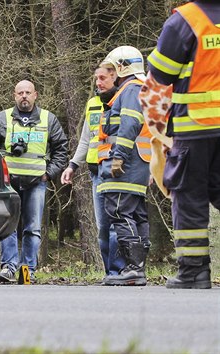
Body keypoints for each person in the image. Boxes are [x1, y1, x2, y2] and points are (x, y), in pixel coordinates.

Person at [139, 0, 219, 289]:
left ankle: (194, 272)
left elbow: (160, 75)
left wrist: (159, 129)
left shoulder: (186, 20)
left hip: (195, 127)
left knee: (189, 198)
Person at [0, 80, 68, 283]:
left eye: (28, 92)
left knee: (32, 227)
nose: (24, 96)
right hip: (9, 182)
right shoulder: (3, 118)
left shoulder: (48, 119)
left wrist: (49, 174)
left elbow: (61, 150)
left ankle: (27, 270)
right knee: (8, 225)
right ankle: (8, 268)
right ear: (14, 96)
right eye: (20, 92)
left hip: (37, 182)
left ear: (35, 95)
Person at [60, 66, 125, 278]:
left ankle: (119, 271)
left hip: (118, 171)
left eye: (103, 78)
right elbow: (86, 140)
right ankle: (110, 272)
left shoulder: (125, 100)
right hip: (96, 172)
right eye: (96, 79)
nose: (98, 83)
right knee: (103, 228)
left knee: (117, 224)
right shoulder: (92, 104)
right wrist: (72, 165)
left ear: (115, 78)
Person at [97, 46, 152, 286]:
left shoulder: (130, 90)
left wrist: (118, 157)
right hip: (138, 162)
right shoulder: (141, 89)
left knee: (120, 211)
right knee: (137, 214)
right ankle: (137, 268)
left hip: (126, 164)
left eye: (112, 68)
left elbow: (130, 124)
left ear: (122, 66)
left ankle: (133, 269)